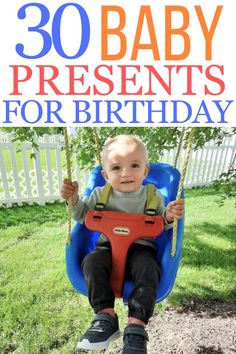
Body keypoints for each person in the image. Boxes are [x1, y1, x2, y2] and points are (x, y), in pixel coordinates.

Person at [61, 135, 184, 353]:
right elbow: (83, 216)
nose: (126, 173)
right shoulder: (101, 194)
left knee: (148, 269)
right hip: (107, 247)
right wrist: (74, 201)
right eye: (116, 168)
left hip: (141, 248)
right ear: (105, 175)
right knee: (91, 262)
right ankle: (105, 318)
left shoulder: (152, 194)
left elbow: (162, 223)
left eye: (134, 165)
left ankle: (136, 329)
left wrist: (169, 215)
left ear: (145, 171)